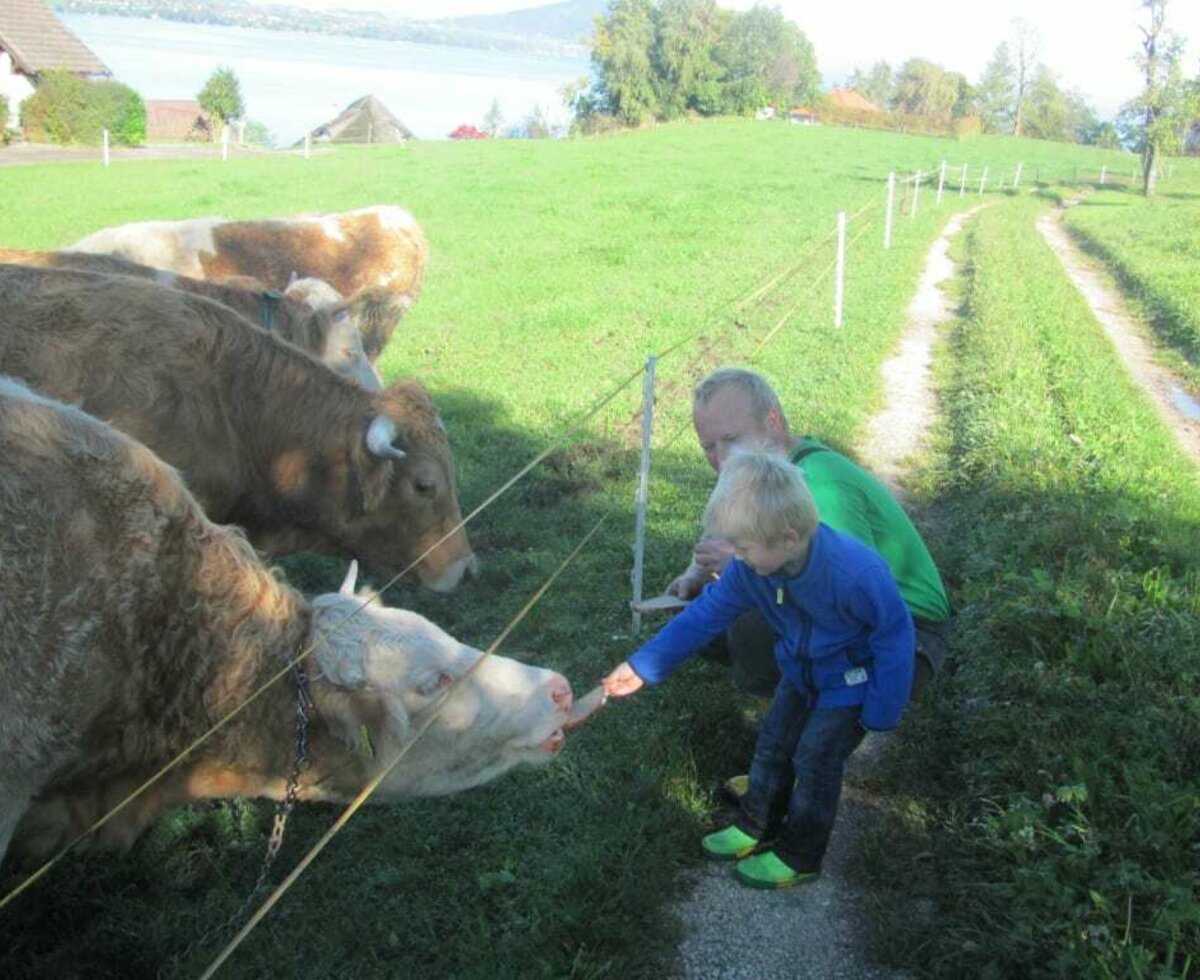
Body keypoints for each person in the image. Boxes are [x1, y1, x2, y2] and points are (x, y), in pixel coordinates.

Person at [603, 452, 914, 889]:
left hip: (849, 684)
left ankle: (800, 853)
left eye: (743, 549)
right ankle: (755, 826)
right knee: (772, 744)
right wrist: (641, 666)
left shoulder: (855, 572)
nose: (737, 559)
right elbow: (703, 615)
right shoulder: (755, 570)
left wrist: (883, 710)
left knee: (814, 759)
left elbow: (895, 636)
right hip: (801, 675)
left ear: (788, 538)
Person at [667, 367, 949, 702]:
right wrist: (694, 575)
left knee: (751, 624)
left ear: (772, 422)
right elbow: (721, 532)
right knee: (705, 605)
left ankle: (816, 711)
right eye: (708, 447)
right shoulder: (757, 474)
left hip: (908, 632)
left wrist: (736, 566)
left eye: (731, 439)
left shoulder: (817, 482)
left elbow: (839, 591)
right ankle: (799, 693)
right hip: (867, 619)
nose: (722, 458)